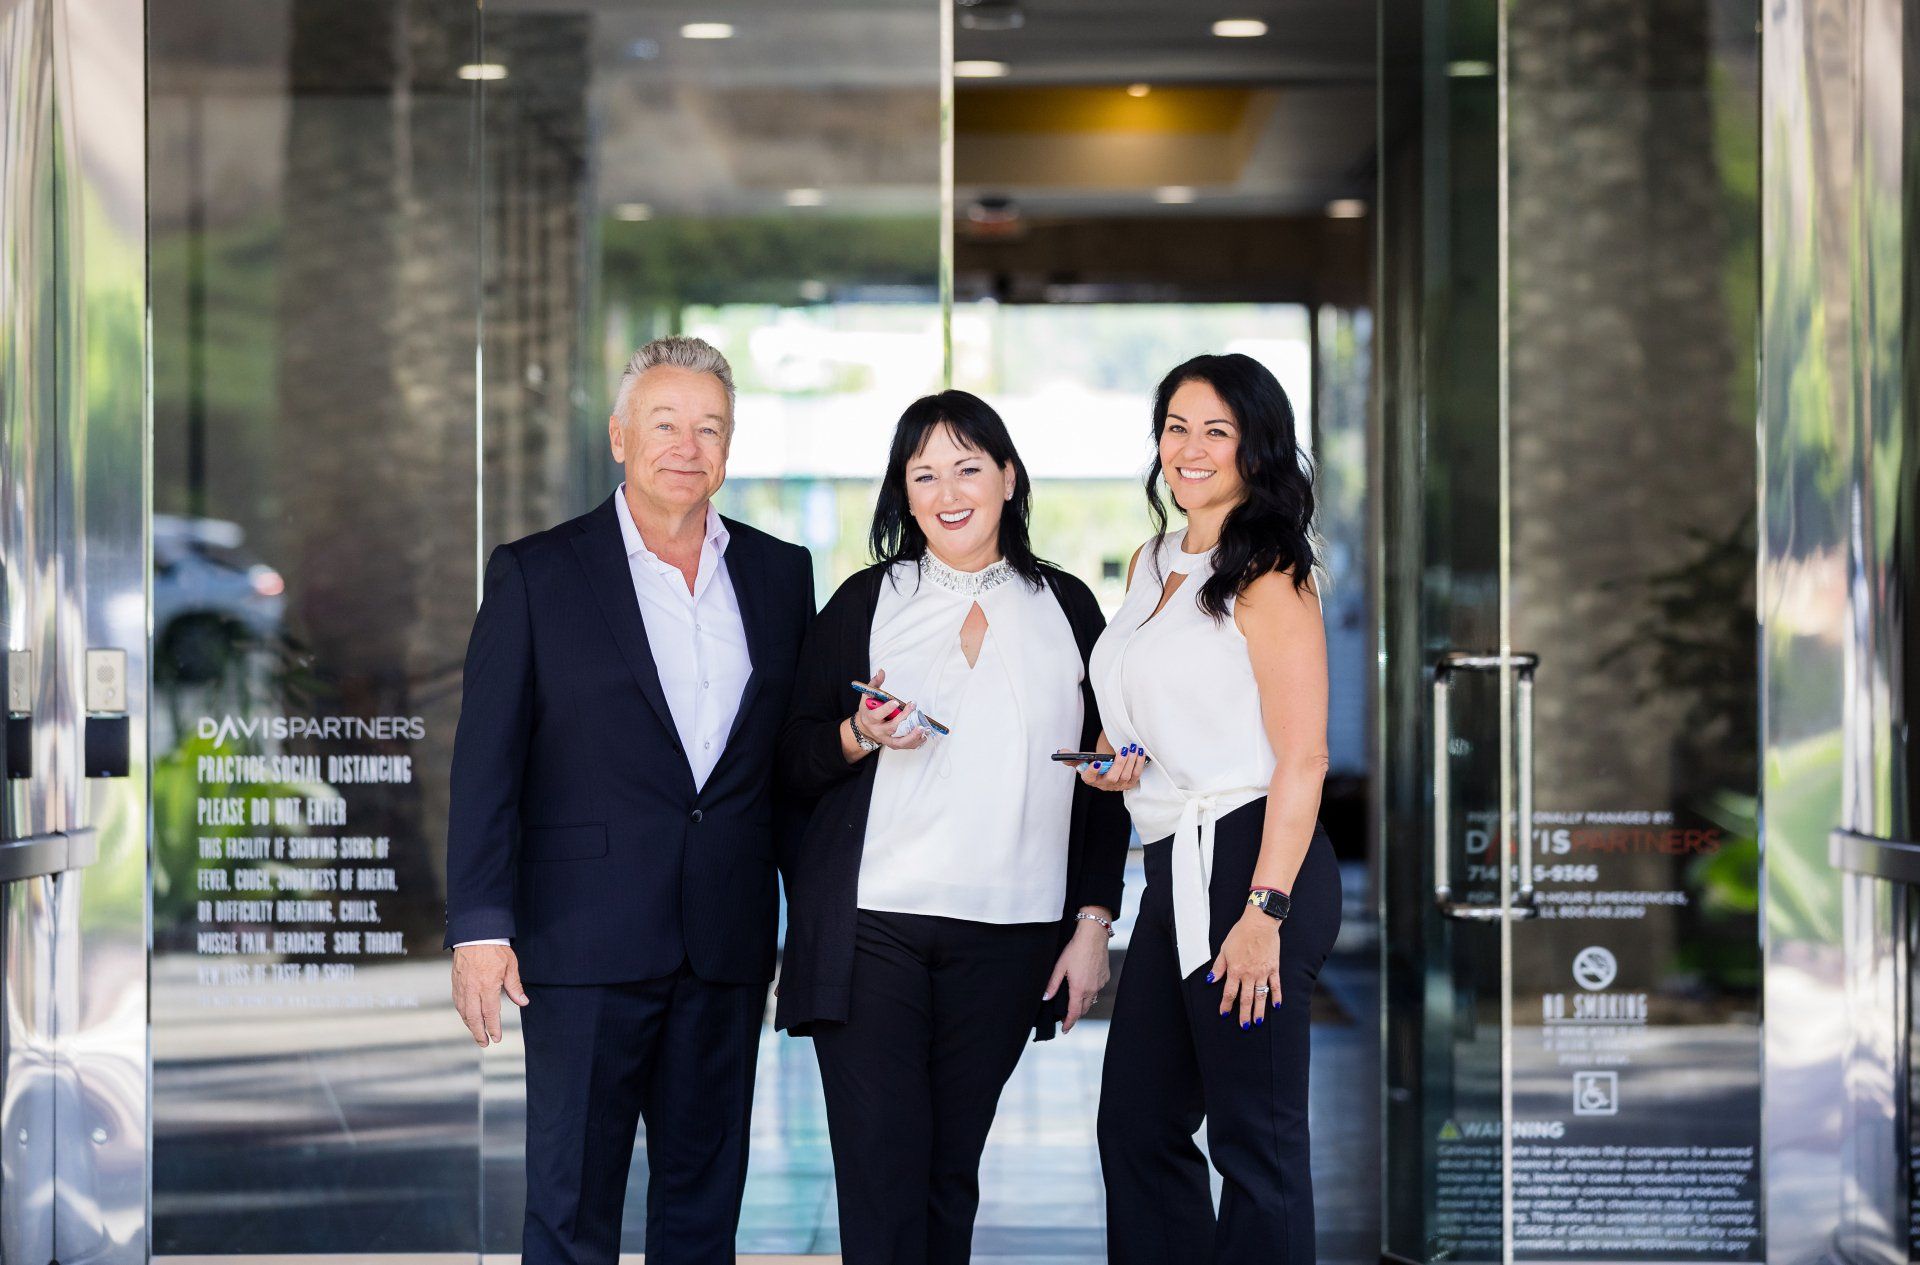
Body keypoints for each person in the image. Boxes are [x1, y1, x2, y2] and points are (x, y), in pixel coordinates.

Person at [443, 336, 815, 1265]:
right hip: (581, 943)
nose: (686, 446)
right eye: (664, 423)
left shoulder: (780, 575)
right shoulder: (535, 574)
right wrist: (480, 927)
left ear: (729, 446)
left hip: (724, 941)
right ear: (618, 437)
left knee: (702, 1215)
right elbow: (487, 764)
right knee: (571, 1213)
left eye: (709, 427)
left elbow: (791, 767)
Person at [775, 390, 1130, 1265]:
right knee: (882, 1173)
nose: (947, 490)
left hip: (1010, 935)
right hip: (873, 931)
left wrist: (1092, 924)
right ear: (904, 491)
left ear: (1009, 477)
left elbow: (1102, 783)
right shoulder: (867, 600)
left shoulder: (1072, 608)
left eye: (968, 466)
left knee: (948, 1175)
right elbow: (789, 759)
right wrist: (860, 735)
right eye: (924, 472)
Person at [1083, 353, 1340, 1264]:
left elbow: (1303, 753)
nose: (1190, 449)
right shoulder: (1157, 559)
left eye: (1216, 431)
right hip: (1173, 860)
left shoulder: (1270, 568)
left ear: (1255, 448)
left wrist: (1264, 909)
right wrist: (1127, 763)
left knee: (1255, 1142)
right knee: (1137, 1126)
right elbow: (1167, 709)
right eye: (1177, 427)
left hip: (1253, 858)